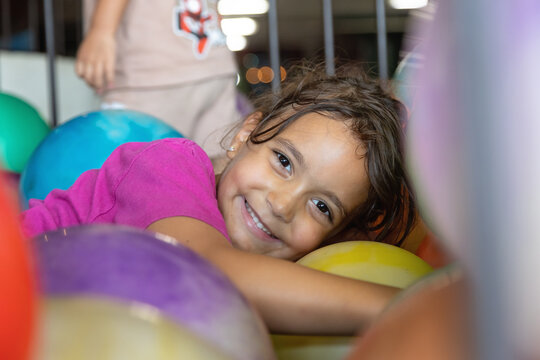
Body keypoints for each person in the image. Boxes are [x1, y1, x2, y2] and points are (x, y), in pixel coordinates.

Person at [21, 63, 417, 335]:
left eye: (322, 207)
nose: (282, 204)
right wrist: (424, 309)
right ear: (246, 134)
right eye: (283, 161)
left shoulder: (289, 267)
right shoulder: (170, 163)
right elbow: (205, 272)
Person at [75, 0, 240, 159]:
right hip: (213, 59)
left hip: (152, 70)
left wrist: (101, 31)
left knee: (136, 171)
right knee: (215, 167)